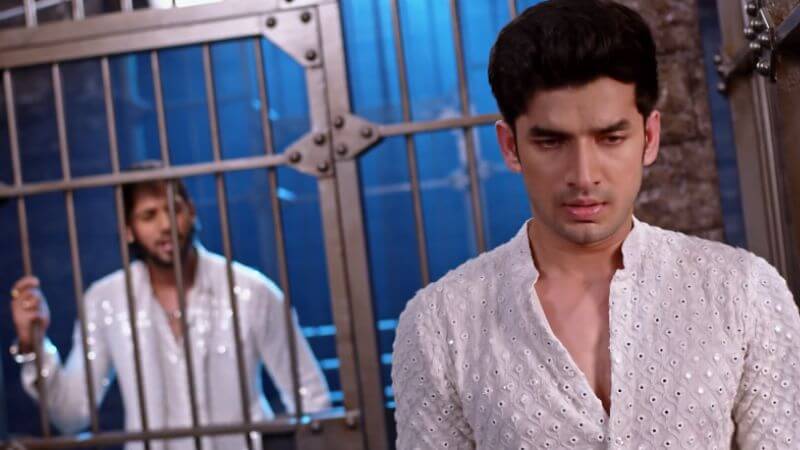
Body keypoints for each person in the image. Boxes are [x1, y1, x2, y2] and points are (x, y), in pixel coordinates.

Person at [391, 1, 800, 448]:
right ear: (510, 146)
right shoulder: (439, 324)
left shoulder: (743, 291)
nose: (584, 176)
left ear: (649, 138)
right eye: (551, 142)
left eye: (610, 138)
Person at [9, 162, 330, 450]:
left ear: (191, 212)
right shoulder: (105, 300)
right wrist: (33, 344)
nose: (166, 225)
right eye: (149, 215)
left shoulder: (251, 291)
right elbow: (72, 415)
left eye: (173, 209)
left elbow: (311, 398)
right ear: (129, 230)